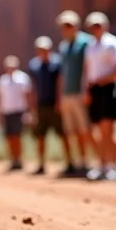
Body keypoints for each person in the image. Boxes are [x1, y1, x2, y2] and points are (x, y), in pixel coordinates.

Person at [82, 12, 116, 181]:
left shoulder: (113, 43)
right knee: (98, 130)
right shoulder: (90, 46)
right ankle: (101, 165)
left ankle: (112, 166)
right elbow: (87, 70)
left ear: (104, 26)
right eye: (92, 26)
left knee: (108, 129)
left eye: (98, 25)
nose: (95, 29)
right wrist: (86, 90)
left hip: (109, 89)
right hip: (94, 90)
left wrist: (104, 79)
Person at [27, 36, 74, 176]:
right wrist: (32, 108)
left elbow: (60, 83)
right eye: (41, 49)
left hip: (55, 105)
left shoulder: (57, 63)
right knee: (40, 136)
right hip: (41, 105)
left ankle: (70, 162)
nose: (43, 51)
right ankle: (41, 164)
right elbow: (33, 88)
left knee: (63, 134)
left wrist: (60, 102)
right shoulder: (33, 66)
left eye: (45, 49)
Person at [56, 10, 95, 176]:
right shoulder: (63, 46)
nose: (66, 29)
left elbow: (89, 68)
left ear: (76, 25)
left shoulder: (87, 42)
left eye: (69, 25)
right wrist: (59, 96)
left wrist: (86, 90)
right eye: (64, 26)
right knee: (71, 130)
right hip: (66, 95)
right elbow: (62, 74)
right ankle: (77, 162)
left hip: (80, 93)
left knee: (85, 129)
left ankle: (89, 162)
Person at [0, 55, 31, 171]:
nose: (10, 68)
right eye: (8, 66)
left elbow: (28, 96)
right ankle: (12, 159)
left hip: (18, 111)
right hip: (6, 112)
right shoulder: (2, 80)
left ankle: (19, 159)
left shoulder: (23, 79)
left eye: (12, 66)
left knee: (17, 136)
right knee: (8, 137)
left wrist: (28, 112)